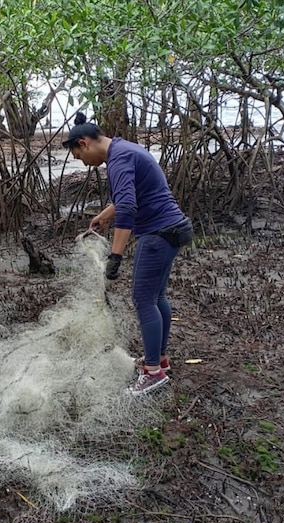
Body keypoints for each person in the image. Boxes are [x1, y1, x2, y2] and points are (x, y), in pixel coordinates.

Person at [63, 113, 193, 395]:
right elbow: (130, 197)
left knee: (143, 299)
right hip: (175, 227)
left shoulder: (118, 160)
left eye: (78, 156)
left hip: (159, 232)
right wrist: (105, 216)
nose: (82, 163)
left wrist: (115, 255)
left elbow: (130, 208)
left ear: (84, 144)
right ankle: (158, 360)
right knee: (157, 297)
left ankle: (153, 373)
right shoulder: (125, 149)